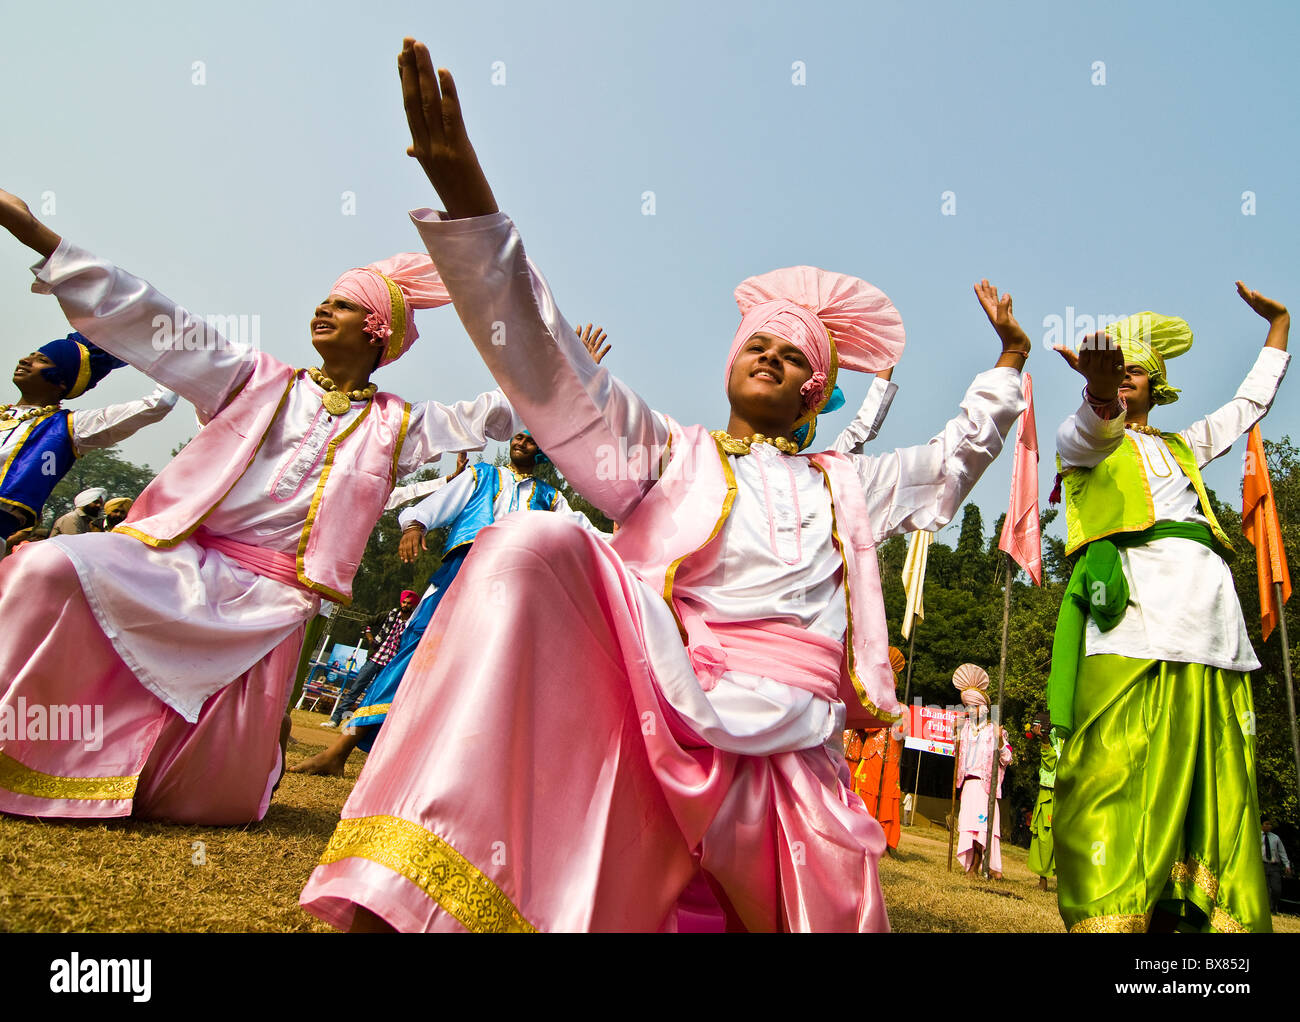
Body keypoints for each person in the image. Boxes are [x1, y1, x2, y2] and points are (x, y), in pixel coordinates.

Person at [297, 40, 1030, 934]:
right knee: (533, 543)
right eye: (756, 340)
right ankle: (413, 889)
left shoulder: (851, 488)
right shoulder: (669, 455)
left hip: (792, 750)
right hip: (663, 705)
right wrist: (473, 208)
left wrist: (1008, 368)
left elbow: (955, 457)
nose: (767, 351)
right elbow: (556, 369)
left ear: (813, 391)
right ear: (729, 363)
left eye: (792, 351)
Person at [0, 186, 516, 825]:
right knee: (45, 567)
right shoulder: (252, 378)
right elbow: (154, 317)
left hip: (269, 606)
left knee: (213, 802)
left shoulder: (401, 425)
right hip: (177, 564)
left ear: (379, 329)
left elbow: (494, 412)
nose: (323, 308)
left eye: (345, 304)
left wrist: (553, 363)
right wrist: (41, 238)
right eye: (325, 299)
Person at [1048, 288, 1289, 932]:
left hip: (1209, 621)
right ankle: (1110, 911)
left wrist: (1279, 331)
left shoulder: (1182, 447)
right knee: (1108, 771)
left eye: (1132, 372)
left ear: (1155, 386)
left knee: (1211, 772)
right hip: (1133, 622)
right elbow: (1088, 430)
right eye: (1110, 369)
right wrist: (1098, 399)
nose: (1120, 380)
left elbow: (1248, 407)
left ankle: (1193, 913)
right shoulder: (1088, 443)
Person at [292, 423, 606, 777]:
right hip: (462, 570)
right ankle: (340, 750)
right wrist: (416, 526)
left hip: (513, 584)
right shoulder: (482, 474)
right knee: (416, 651)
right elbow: (440, 503)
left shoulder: (551, 498)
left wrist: (630, 534)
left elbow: (585, 530)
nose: (520, 441)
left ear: (542, 452)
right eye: (518, 436)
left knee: (488, 667)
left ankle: (454, 770)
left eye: (530, 439)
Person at [0, 331, 176, 541]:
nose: (24, 360)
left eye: (42, 360)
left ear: (62, 381)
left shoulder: (70, 427)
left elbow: (158, 404)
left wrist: (172, 358)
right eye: (30, 355)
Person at [319, 591, 420, 730]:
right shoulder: (389, 615)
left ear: (413, 605)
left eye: (409, 603)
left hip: (390, 665)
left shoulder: (413, 623)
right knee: (355, 689)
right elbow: (366, 622)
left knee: (375, 696)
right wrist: (370, 637)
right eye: (404, 602)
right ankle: (335, 719)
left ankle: (359, 725)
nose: (405, 605)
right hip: (375, 659)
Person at [952, 663, 1012, 879]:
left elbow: (1007, 758)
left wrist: (999, 741)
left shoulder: (994, 731)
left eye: (975, 707)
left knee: (982, 827)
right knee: (969, 826)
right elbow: (956, 751)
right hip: (969, 784)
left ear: (984, 709)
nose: (971, 711)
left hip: (985, 787)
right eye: (968, 707)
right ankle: (972, 864)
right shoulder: (965, 729)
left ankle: (978, 866)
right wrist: (955, 733)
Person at [845, 645, 906, 855]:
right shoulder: (871, 704)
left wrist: (890, 717)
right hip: (868, 757)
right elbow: (866, 727)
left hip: (888, 760)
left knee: (887, 798)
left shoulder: (901, 708)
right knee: (863, 795)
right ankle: (861, 835)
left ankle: (885, 841)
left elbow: (902, 732)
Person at [1025, 717, 1060, 890]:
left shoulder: (1070, 736)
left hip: (1063, 790)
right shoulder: (1052, 733)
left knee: (1060, 835)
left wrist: (1045, 739)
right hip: (1048, 788)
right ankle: (1043, 880)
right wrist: (1044, 738)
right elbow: (1049, 761)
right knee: (1043, 833)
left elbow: (1053, 760)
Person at [1261, 817, 1292, 915]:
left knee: (1276, 889)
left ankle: (1273, 906)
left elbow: (1282, 852)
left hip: (1274, 866)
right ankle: (1267, 910)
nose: (1269, 826)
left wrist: (1287, 865)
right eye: (1266, 824)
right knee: (1265, 889)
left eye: (1270, 824)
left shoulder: (1275, 838)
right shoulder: (1256, 836)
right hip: (1262, 865)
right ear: (1262, 825)